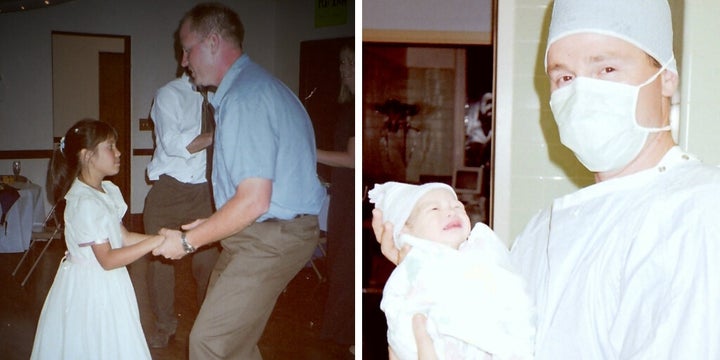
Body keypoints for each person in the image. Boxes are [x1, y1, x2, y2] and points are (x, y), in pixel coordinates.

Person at [374, 0, 720, 358]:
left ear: (666, 78)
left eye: (607, 68)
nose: (582, 92)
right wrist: (427, 280)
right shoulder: (542, 232)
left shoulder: (699, 210)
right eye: (565, 77)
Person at [151, 3, 327, 359]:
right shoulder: (255, 86)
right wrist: (212, 224)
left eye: (188, 49)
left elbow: (254, 200)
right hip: (263, 233)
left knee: (209, 342)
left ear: (213, 41)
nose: (184, 61)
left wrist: (187, 241)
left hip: (270, 238)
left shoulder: (246, 97)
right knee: (235, 344)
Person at [31, 119, 165, 359]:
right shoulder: (83, 203)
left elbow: (122, 237)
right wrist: (155, 243)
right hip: (91, 288)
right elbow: (107, 259)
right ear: (87, 155)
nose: (119, 152)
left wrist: (161, 239)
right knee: (94, 343)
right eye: (110, 147)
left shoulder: (107, 191)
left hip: (110, 284)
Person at [369, 181, 534, 360]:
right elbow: (400, 316)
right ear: (406, 230)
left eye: (458, 206)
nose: (451, 211)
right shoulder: (412, 269)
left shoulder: (482, 250)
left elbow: (511, 290)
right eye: (434, 209)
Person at [142, 72, 220, 348]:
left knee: (209, 264)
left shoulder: (219, 96)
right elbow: (176, 146)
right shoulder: (169, 95)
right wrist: (218, 133)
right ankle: (164, 325)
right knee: (161, 263)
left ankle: (208, 326)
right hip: (169, 190)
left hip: (206, 191)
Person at [317, 43, 356, 351]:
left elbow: (352, 159)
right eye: (342, 64)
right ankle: (339, 335)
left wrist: (310, 151)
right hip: (342, 193)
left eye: (350, 64)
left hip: (352, 196)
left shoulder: (356, 110)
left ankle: (343, 338)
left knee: (344, 266)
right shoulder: (347, 107)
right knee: (337, 264)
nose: (344, 70)